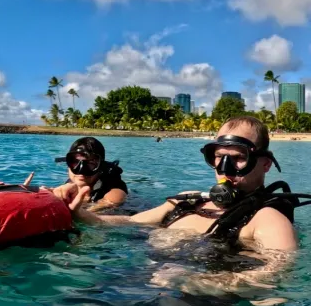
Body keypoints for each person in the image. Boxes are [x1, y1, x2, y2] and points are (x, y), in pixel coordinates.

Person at [53, 116, 298, 294]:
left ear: (265, 163)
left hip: (192, 300)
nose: (224, 169)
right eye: (218, 157)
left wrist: (205, 281)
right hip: (136, 282)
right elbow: (128, 222)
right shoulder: (187, 200)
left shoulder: (267, 219)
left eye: (238, 158)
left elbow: (277, 272)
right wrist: (79, 213)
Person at [56, 137, 128, 210]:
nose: (81, 170)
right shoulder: (68, 185)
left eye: (91, 163)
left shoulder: (114, 193)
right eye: (75, 162)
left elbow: (94, 215)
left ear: (101, 166)